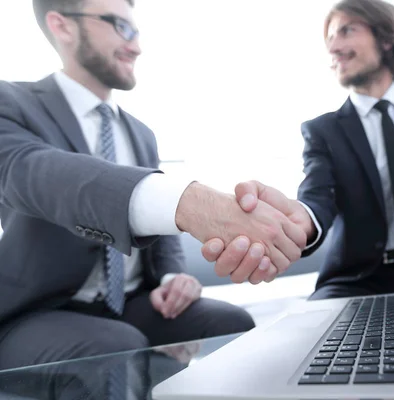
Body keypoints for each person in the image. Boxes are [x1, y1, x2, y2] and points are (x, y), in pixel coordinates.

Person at [0, 0, 308, 373]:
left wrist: (174, 276)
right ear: (62, 26)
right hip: (38, 311)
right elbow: (36, 173)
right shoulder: (11, 103)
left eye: (136, 31)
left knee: (230, 321)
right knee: (118, 345)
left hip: (132, 301)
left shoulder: (141, 134)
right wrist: (190, 202)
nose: (136, 46)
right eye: (119, 26)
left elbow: (158, 231)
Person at [203, 0, 394, 300]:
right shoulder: (323, 131)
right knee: (313, 336)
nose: (333, 47)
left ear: (386, 38)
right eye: (330, 39)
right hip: (358, 277)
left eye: (345, 31)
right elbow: (317, 196)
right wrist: (302, 219)